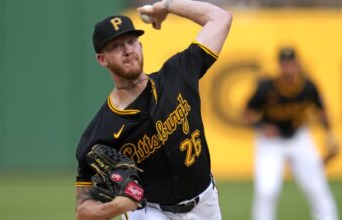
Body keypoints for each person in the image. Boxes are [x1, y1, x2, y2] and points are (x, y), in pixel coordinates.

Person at [74, 0, 232, 219]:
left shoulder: (178, 75)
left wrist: (167, 6)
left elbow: (221, 18)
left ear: (141, 45)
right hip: (150, 211)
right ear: (102, 59)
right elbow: (82, 210)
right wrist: (116, 207)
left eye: (131, 41)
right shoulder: (98, 134)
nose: (127, 50)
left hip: (205, 203)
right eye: (116, 46)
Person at [243, 47, 340, 220]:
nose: (288, 68)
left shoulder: (308, 86)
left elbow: (321, 111)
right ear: (279, 65)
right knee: (267, 190)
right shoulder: (267, 87)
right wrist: (261, 126)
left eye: (291, 63)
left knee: (317, 188)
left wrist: (330, 136)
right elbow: (246, 113)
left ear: (297, 64)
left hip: (299, 138)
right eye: (284, 64)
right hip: (270, 142)